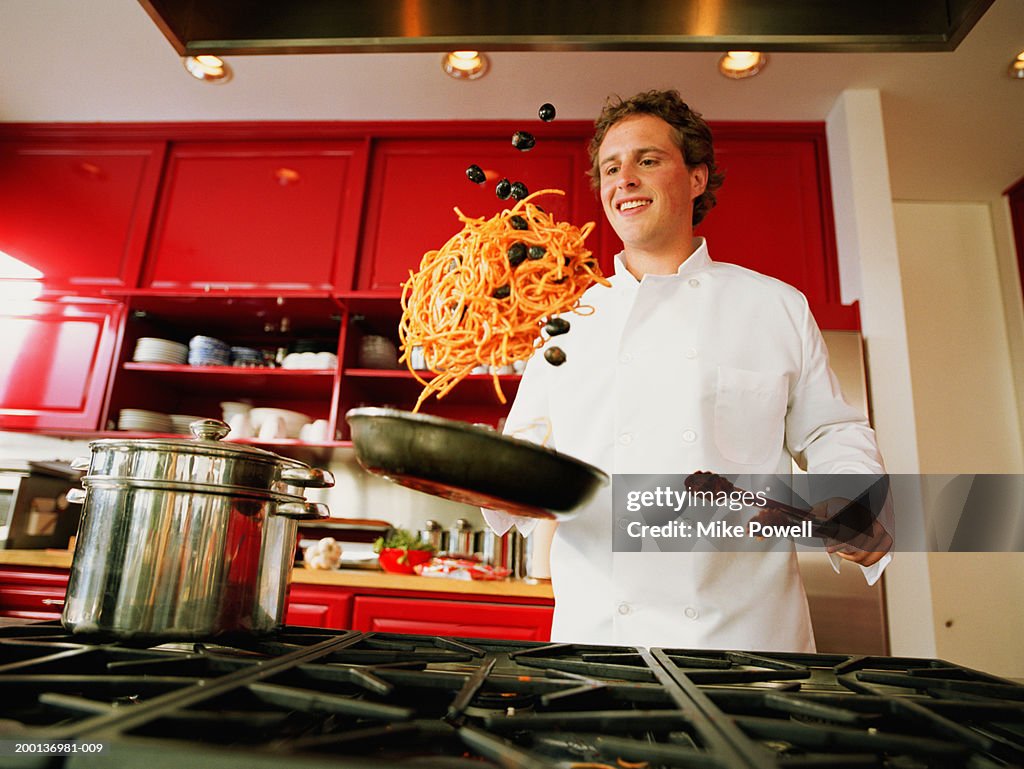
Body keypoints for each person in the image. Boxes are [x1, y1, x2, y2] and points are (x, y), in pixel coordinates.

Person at [483, 90, 892, 652]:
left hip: (745, 638)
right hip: (600, 637)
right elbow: (517, 458)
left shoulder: (774, 307)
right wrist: (488, 483)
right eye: (610, 167)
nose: (623, 178)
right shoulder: (568, 322)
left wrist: (851, 501)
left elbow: (830, 431)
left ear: (697, 178)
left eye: (647, 160)